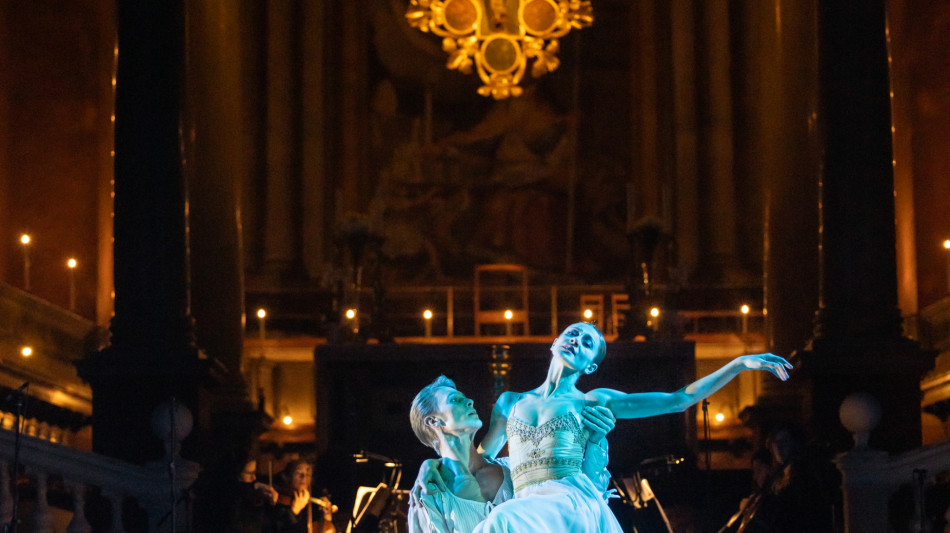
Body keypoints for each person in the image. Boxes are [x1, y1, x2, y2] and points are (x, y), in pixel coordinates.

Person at [472, 322, 792, 532]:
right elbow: (481, 458)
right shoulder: (510, 402)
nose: (576, 341)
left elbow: (678, 400)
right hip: (526, 505)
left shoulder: (593, 401)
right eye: (572, 334)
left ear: (590, 366)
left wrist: (738, 364)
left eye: (586, 342)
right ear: (555, 342)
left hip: (567, 504)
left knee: (501, 520)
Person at [407, 375, 617, 533]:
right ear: (433, 421)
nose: (469, 401)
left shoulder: (516, 467)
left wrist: (595, 441)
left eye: (465, 398)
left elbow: (584, 498)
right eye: (455, 400)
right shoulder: (429, 497)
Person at [191, 449, 279, 533]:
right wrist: (259, 504)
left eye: (255, 472)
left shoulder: (238, 489)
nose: (254, 477)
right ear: (237, 472)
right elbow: (244, 527)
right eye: (250, 473)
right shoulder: (227, 496)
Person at [270, 458, 337, 533]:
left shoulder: (314, 504)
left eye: (308, 474)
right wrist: (293, 512)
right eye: (298, 473)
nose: (304, 477)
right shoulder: (277, 503)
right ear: (288, 477)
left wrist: (326, 520)